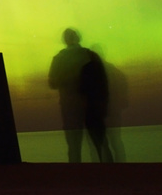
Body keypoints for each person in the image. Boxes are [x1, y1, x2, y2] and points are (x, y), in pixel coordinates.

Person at [48, 28, 113, 163]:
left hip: (70, 107)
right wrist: (103, 105)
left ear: (65, 40)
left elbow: (52, 83)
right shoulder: (90, 55)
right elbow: (102, 83)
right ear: (78, 38)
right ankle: (111, 175)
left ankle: (77, 178)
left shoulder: (59, 58)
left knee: (74, 148)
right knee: (101, 144)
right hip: (91, 106)